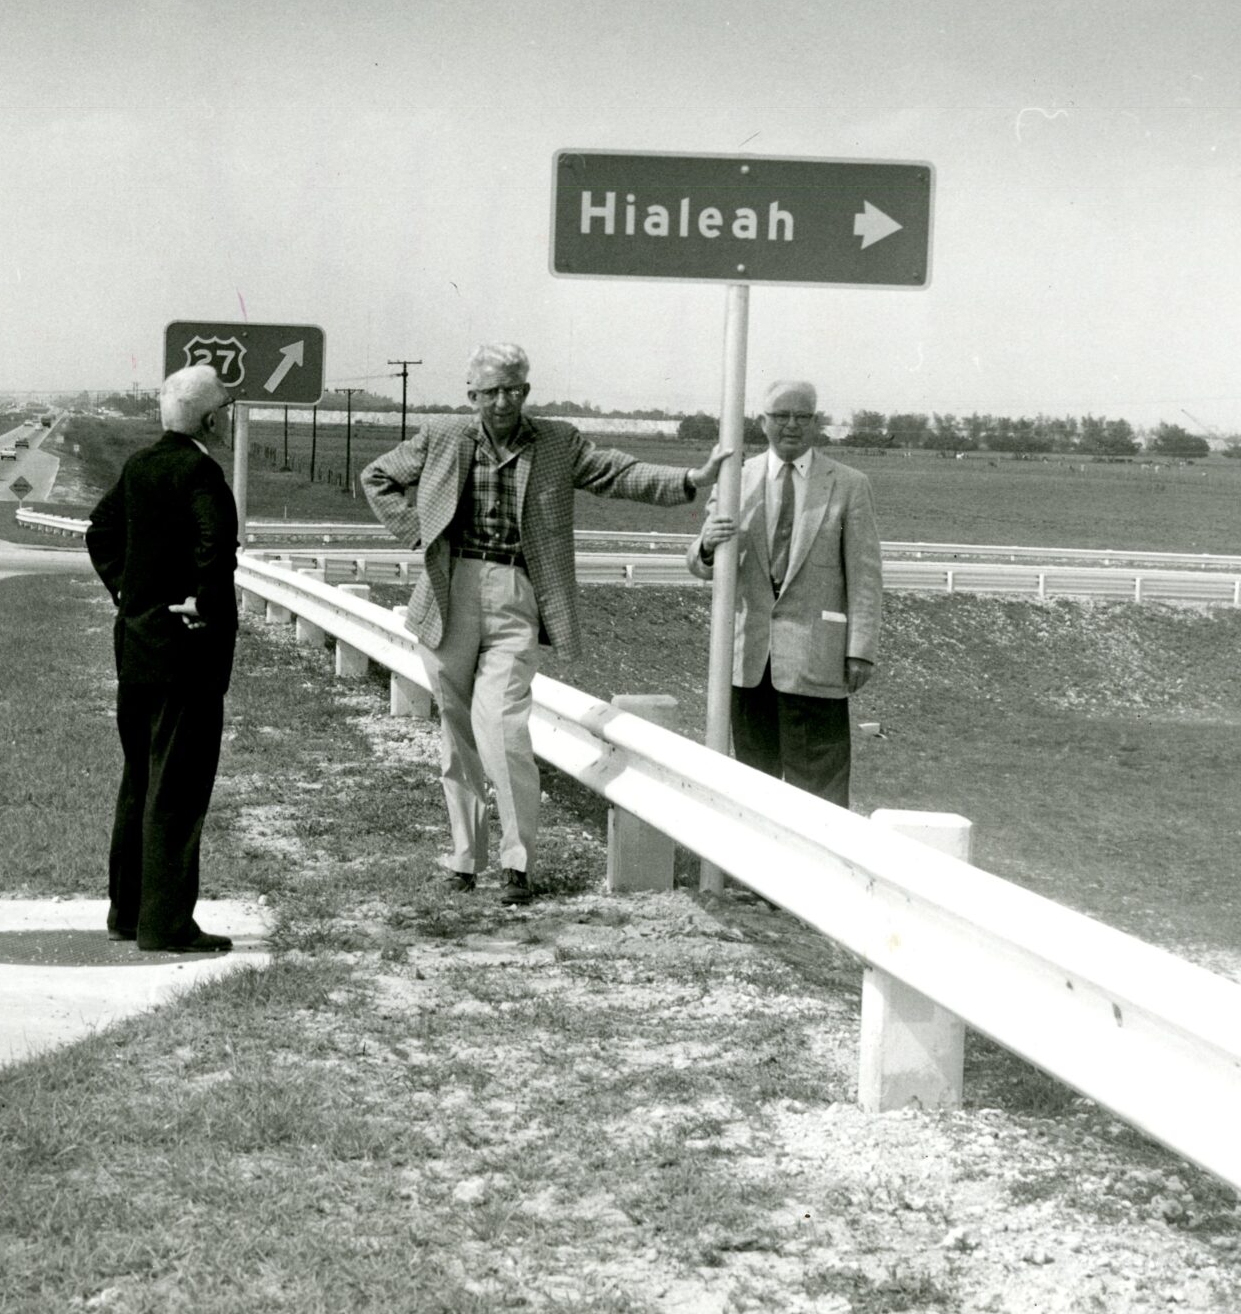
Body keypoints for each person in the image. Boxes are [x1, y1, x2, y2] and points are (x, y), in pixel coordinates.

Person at [362, 344, 729, 904]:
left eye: (515, 389)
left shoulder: (556, 441)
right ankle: (465, 857)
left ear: (527, 392)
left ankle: (517, 863)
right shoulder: (442, 436)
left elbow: (616, 472)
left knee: (504, 724)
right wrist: (418, 532)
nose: (504, 400)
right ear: (472, 396)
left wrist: (689, 479)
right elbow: (378, 476)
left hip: (517, 594)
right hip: (447, 592)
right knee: (457, 734)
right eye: (492, 392)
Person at [85, 364, 241, 954]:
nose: (227, 415)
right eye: (223, 407)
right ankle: (167, 923)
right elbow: (214, 545)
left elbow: (100, 531)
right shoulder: (201, 471)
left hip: (136, 647)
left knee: (139, 781)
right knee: (176, 790)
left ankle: (127, 913)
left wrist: (130, 591)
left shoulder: (139, 465)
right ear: (208, 418)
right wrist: (202, 603)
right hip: (186, 656)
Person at [688, 378, 882, 807]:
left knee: (819, 790)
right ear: (762, 422)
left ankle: (817, 872)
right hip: (749, 660)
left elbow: (866, 577)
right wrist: (707, 545)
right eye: (781, 416)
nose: (791, 425)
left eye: (802, 416)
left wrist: (860, 650)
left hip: (818, 660)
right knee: (753, 785)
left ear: (817, 423)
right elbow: (700, 565)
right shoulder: (737, 479)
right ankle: (753, 872)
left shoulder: (849, 485)